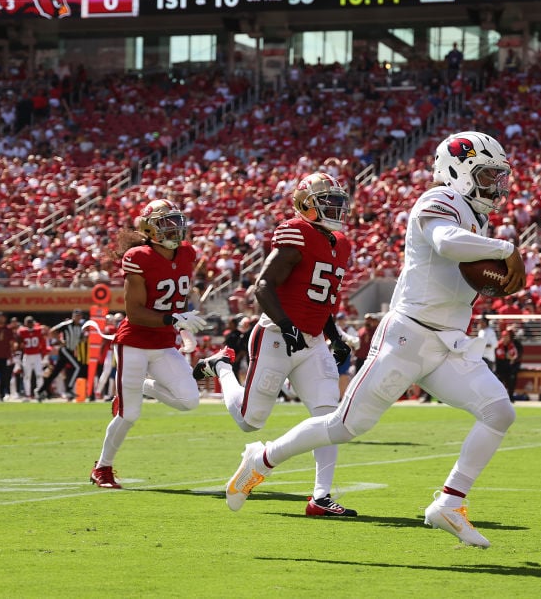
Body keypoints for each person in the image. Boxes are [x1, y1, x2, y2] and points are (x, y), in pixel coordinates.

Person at [223, 130, 524, 548]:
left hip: (447, 345)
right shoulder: (439, 200)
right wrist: (504, 247)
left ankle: (450, 502)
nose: (496, 185)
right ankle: (263, 457)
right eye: (488, 174)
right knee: (346, 425)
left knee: (499, 413)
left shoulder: (476, 216)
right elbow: (444, 242)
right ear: (459, 169)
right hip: (408, 336)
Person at [196, 172, 357, 517]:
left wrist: (335, 335)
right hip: (275, 334)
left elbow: (323, 299)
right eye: (328, 201)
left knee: (329, 419)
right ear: (306, 204)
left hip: (312, 341)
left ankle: (321, 496)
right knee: (249, 421)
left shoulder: (340, 243)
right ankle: (223, 366)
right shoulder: (296, 232)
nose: (336, 208)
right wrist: (286, 327)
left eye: (338, 201)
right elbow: (263, 286)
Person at [90, 199, 209, 489]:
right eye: (165, 223)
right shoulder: (138, 257)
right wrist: (175, 320)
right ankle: (102, 467)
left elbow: (179, 297)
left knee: (189, 401)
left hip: (164, 344)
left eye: (175, 221)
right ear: (150, 228)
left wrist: (181, 324)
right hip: (135, 342)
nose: (173, 228)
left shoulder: (187, 253)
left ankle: (143, 387)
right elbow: (136, 312)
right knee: (129, 414)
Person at [39, 309, 86, 400]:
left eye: (79, 316)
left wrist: (82, 339)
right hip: (65, 349)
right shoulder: (67, 324)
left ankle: (40, 390)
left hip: (71, 350)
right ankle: (69, 389)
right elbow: (52, 330)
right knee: (77, 367)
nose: (77, 317)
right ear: (73, 316)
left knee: (55, 372)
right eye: (76, 315)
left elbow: (80, 338)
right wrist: (60, 341)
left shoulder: (80, 327)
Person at [17, 315, 48, 399]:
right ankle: (28, 394)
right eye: (28, 323)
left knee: (39, 375)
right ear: (25, 324)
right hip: (27, 355)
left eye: (31, 322)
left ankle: (40, 392)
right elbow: (18, 341)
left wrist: (44, 354)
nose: (30, 324)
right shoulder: (22, 331)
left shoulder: (38, 330)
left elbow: (44, 341)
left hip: (37, 355)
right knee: (27, 376)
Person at [495, 327, 522, 402]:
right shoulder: (498, 345)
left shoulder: (513, 344)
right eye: (504, 336)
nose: (506, 338)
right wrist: (508, 357)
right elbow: (501, 355)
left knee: (511, 380)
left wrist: (511, 358)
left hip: (509, 368)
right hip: (500, 368)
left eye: (507, 336)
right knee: (498, 383)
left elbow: (515, 356)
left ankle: (510, 397)